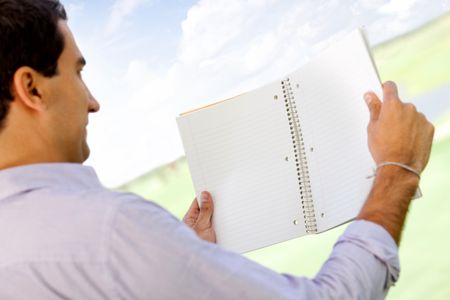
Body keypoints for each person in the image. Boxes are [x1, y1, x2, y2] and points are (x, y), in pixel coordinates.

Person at [0, 0, 434, 299]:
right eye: (77, 73)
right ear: (32, 88)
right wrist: (396, 169)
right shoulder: (109, 231)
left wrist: (174, 264)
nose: (93, 101)